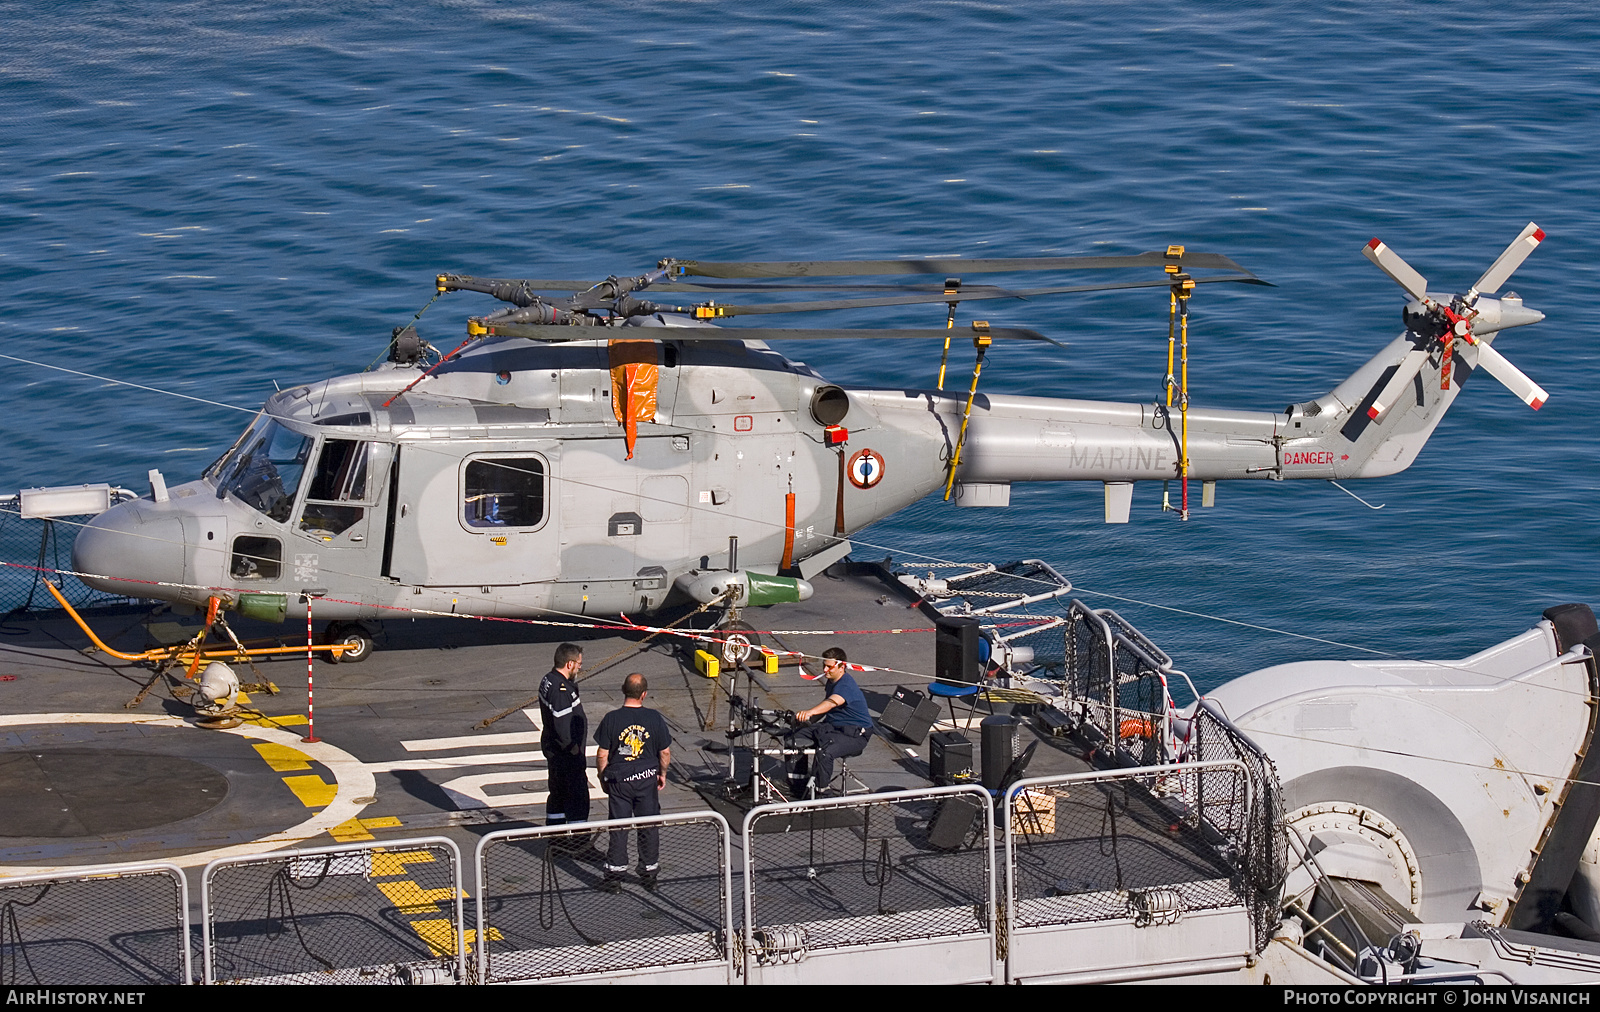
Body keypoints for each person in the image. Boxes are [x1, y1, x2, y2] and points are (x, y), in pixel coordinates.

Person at [594, 673, 672, 892]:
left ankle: (614, 876)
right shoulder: (654, 718)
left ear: (623, 690)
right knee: (649, 825)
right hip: (647, 779)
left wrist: (603, 777)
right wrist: (662, 773)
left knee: (618, 826)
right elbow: (664, 752)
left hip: (619, 781)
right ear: (644, 694)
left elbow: (602, 754)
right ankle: (649, 874)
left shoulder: (611, 719)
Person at [789, 646, 874, 797]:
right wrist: (805, 721)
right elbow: (826, 708)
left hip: (855, 734)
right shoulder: (831, 681)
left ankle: (822, 792)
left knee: (824, 752)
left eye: (829, 666)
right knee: (793, 738)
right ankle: (798, 783)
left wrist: (809, 712)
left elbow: (831, 703)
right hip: (833, 727)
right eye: (824, 666)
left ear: (842, 667)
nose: (825, 670)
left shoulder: (846, 685)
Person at [538, 642, 589, 827]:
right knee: (578, 798)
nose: (580, 668)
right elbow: (563, 729)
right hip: (566, 756)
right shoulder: (560, 691)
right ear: (569, 664)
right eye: (579, 664)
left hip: (554, 751)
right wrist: (575, 752)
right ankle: (580, 842)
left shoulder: (548, 679)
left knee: (557, 796)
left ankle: (556, 840)